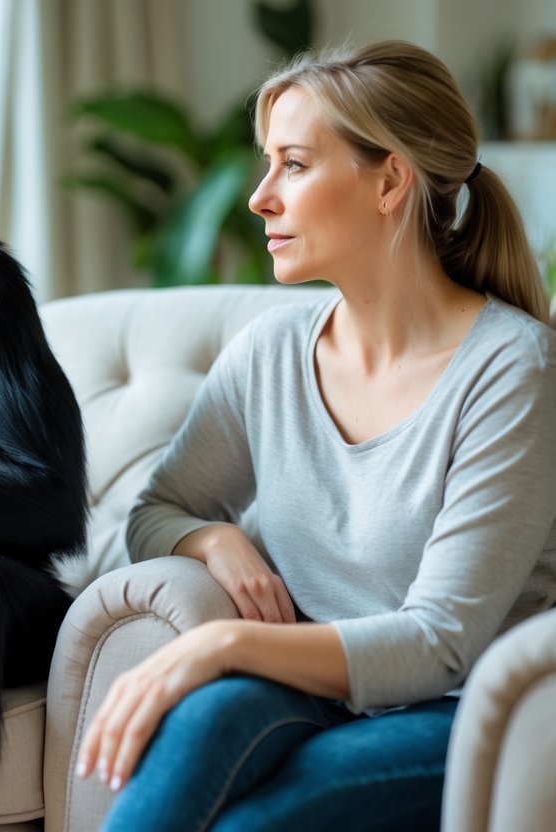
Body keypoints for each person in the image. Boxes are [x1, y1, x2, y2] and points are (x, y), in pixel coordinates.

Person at [74, 39, 556, 831]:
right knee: (201, 723)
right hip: (320, 694)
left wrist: (220, 644)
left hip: (467, 713)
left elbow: (439, 644)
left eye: (292, 165)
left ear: (390, 180)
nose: (260, 196)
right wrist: (208, 539)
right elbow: (153, 510)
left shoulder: (511, 370)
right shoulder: (268, 353)